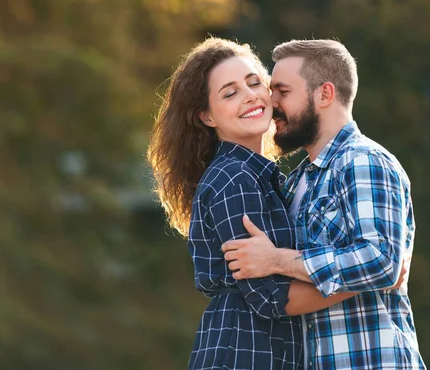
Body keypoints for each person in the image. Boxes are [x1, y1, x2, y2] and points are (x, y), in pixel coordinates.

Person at [147, 37, 361, 370]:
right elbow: (271, 297)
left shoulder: (260, 176)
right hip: (244, 353)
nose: (249, 96)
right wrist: (366, 280)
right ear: (207, 116)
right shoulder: (234, 179)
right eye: (230, 93)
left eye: (254, 83)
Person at [222, 39, 426, 369]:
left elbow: (383, 260)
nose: (271, 104)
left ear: (325, 94)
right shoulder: (298, 181)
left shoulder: (364, 162)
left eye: (283, 92)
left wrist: (277, 259)